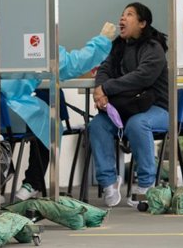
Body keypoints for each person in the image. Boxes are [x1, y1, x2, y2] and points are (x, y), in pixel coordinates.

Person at [10, 22, 116, 201]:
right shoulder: (38, 44)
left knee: (43, 123)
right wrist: (102, 40)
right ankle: (29, 183)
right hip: (16, 114)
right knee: (47, 125)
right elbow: (73, 64)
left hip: (2, 115)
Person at [88, 2, 168, 207]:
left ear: (142, 23)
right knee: (97, 125)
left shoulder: (153, 48)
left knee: (137, 124)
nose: (122, 19)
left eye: (129, 15)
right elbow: (104, 69)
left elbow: (142, 77)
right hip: (126, 107)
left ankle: (146, 185)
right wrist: (100, 91)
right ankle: (108, 182)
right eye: (122, 15)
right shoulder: (118, 46)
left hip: (157, 108)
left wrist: (107, 88)